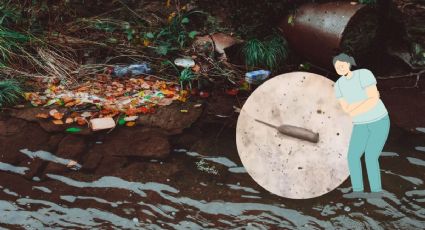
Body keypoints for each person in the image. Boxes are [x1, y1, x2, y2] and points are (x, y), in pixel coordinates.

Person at [332, 53, 390, 197]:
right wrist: (360, 104)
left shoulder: (364, 74)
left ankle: (376, 192)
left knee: (370, 156)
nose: (340, 68)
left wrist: (353, 108)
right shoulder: (338, 85)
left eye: (342, 65)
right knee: (352, 156)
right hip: (360, 124)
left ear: (349, 64)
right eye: (337, 66)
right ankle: (358, 190)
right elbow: (346, 108)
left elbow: (374, 98)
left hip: (379, 120)